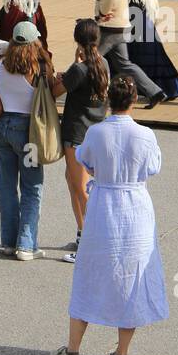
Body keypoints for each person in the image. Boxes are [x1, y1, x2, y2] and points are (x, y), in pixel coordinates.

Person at [50, 74, 169, 355]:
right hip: (136, 207)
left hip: (104, 205)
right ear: (135, 101)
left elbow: (85, 162)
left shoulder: (96, 132)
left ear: (108, 100)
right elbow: (153, 167)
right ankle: (121, 353)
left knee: (90, 273)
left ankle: (73, 350)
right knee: (131, 278)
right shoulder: (145, 134)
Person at [0, 22, 60, 260]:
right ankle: (26, 244)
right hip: (29, 132)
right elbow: (52, 92)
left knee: (6, 186)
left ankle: (8, 241)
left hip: (2, 128)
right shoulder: (40, 68)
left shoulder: (1, 65)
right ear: (35, 41)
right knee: (32, 187)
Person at [57, 19, 109, 263]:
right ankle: (82, 233)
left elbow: (56, 89)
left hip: (76, 133)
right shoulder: (104, 64)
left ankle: (92, 242)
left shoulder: (79, 69)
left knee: (80, 188)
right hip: (95, 130)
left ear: (77, 40)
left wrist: (67, 70)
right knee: (74, 183)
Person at [87, 0, 165, 106]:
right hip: (122, 26)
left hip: (110, 28)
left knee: (93, 58)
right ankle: (155, 92)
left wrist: (102, 13)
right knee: (125, 64)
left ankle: (99, 92)